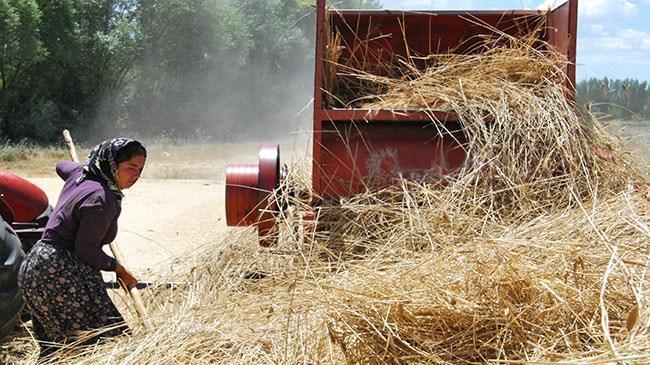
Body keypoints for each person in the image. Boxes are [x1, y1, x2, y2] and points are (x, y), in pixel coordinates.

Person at [17, 138, 146, 357]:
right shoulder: (101, 199)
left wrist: (85, 166)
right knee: (105, 344)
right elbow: (85, 249)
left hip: (35, 267)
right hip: (60, 273)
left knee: (58, 350)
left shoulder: (82, 174)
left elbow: (61, 166)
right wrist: (119, 270)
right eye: (130, 168)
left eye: (140, 169)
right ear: (112, 165)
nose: (136, 176)